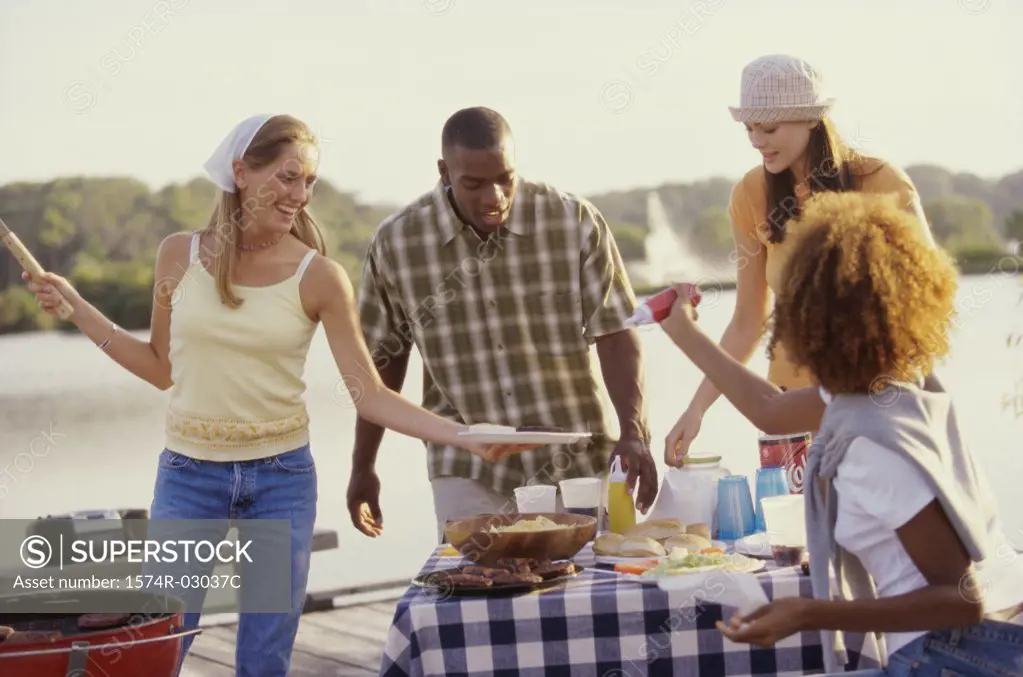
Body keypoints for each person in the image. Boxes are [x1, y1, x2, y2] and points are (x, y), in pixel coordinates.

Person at [22, 113, 535, 677]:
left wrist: (465, 437)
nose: (300, 195)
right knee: (156, 646)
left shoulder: (319, 277)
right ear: (241, 172)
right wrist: (75, 308)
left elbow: (369, 394)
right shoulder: (178, 256)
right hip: (189, 477)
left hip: (281, 482)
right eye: (288, 177)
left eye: (309, 181)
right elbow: (159, 367)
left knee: (263, 659)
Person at [659, 192, 1023, 676]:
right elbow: (769, 408)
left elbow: (960, 600)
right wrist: (681, 330)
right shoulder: (895, 387)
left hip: (954, 654)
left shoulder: (872, 446)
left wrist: (810, 612)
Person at [346, 106, 658, 542]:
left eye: (505, 178)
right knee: (475, 593)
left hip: (575, 462)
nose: (494, 197)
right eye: (474, 184)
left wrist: (634, 432)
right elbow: (383, 362)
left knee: (589, 587)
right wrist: (364, 465)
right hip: (465, 468)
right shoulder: (397, 242)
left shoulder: (574, 221)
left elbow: (617, 332)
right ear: (444, 172)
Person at [664, 53, 936, 467]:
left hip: (877, 403)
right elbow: (747, 321)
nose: (757, 140)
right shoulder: (750, 195)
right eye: (749, 128)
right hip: (787, 412)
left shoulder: (882, 183)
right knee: (790, 529)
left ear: (812, 119)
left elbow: (929, 303)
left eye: (769, 127)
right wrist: (697, 407)